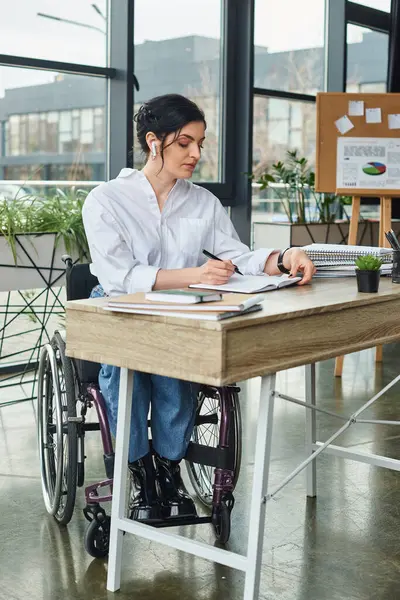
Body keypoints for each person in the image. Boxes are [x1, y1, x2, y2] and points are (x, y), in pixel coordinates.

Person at [82, 93, 315, 524]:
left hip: (183, 310)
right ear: (154, 143)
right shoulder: (106, 200)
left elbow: (236, 256)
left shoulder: (203, 202)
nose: (196, 154)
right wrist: (193, 274)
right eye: (185, 143)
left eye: (200, 143)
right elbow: (118, 276)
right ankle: (139, 470)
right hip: (122, 308)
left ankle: (167, 468)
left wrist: (283, 258)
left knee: (178, 379)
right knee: (128, 378)